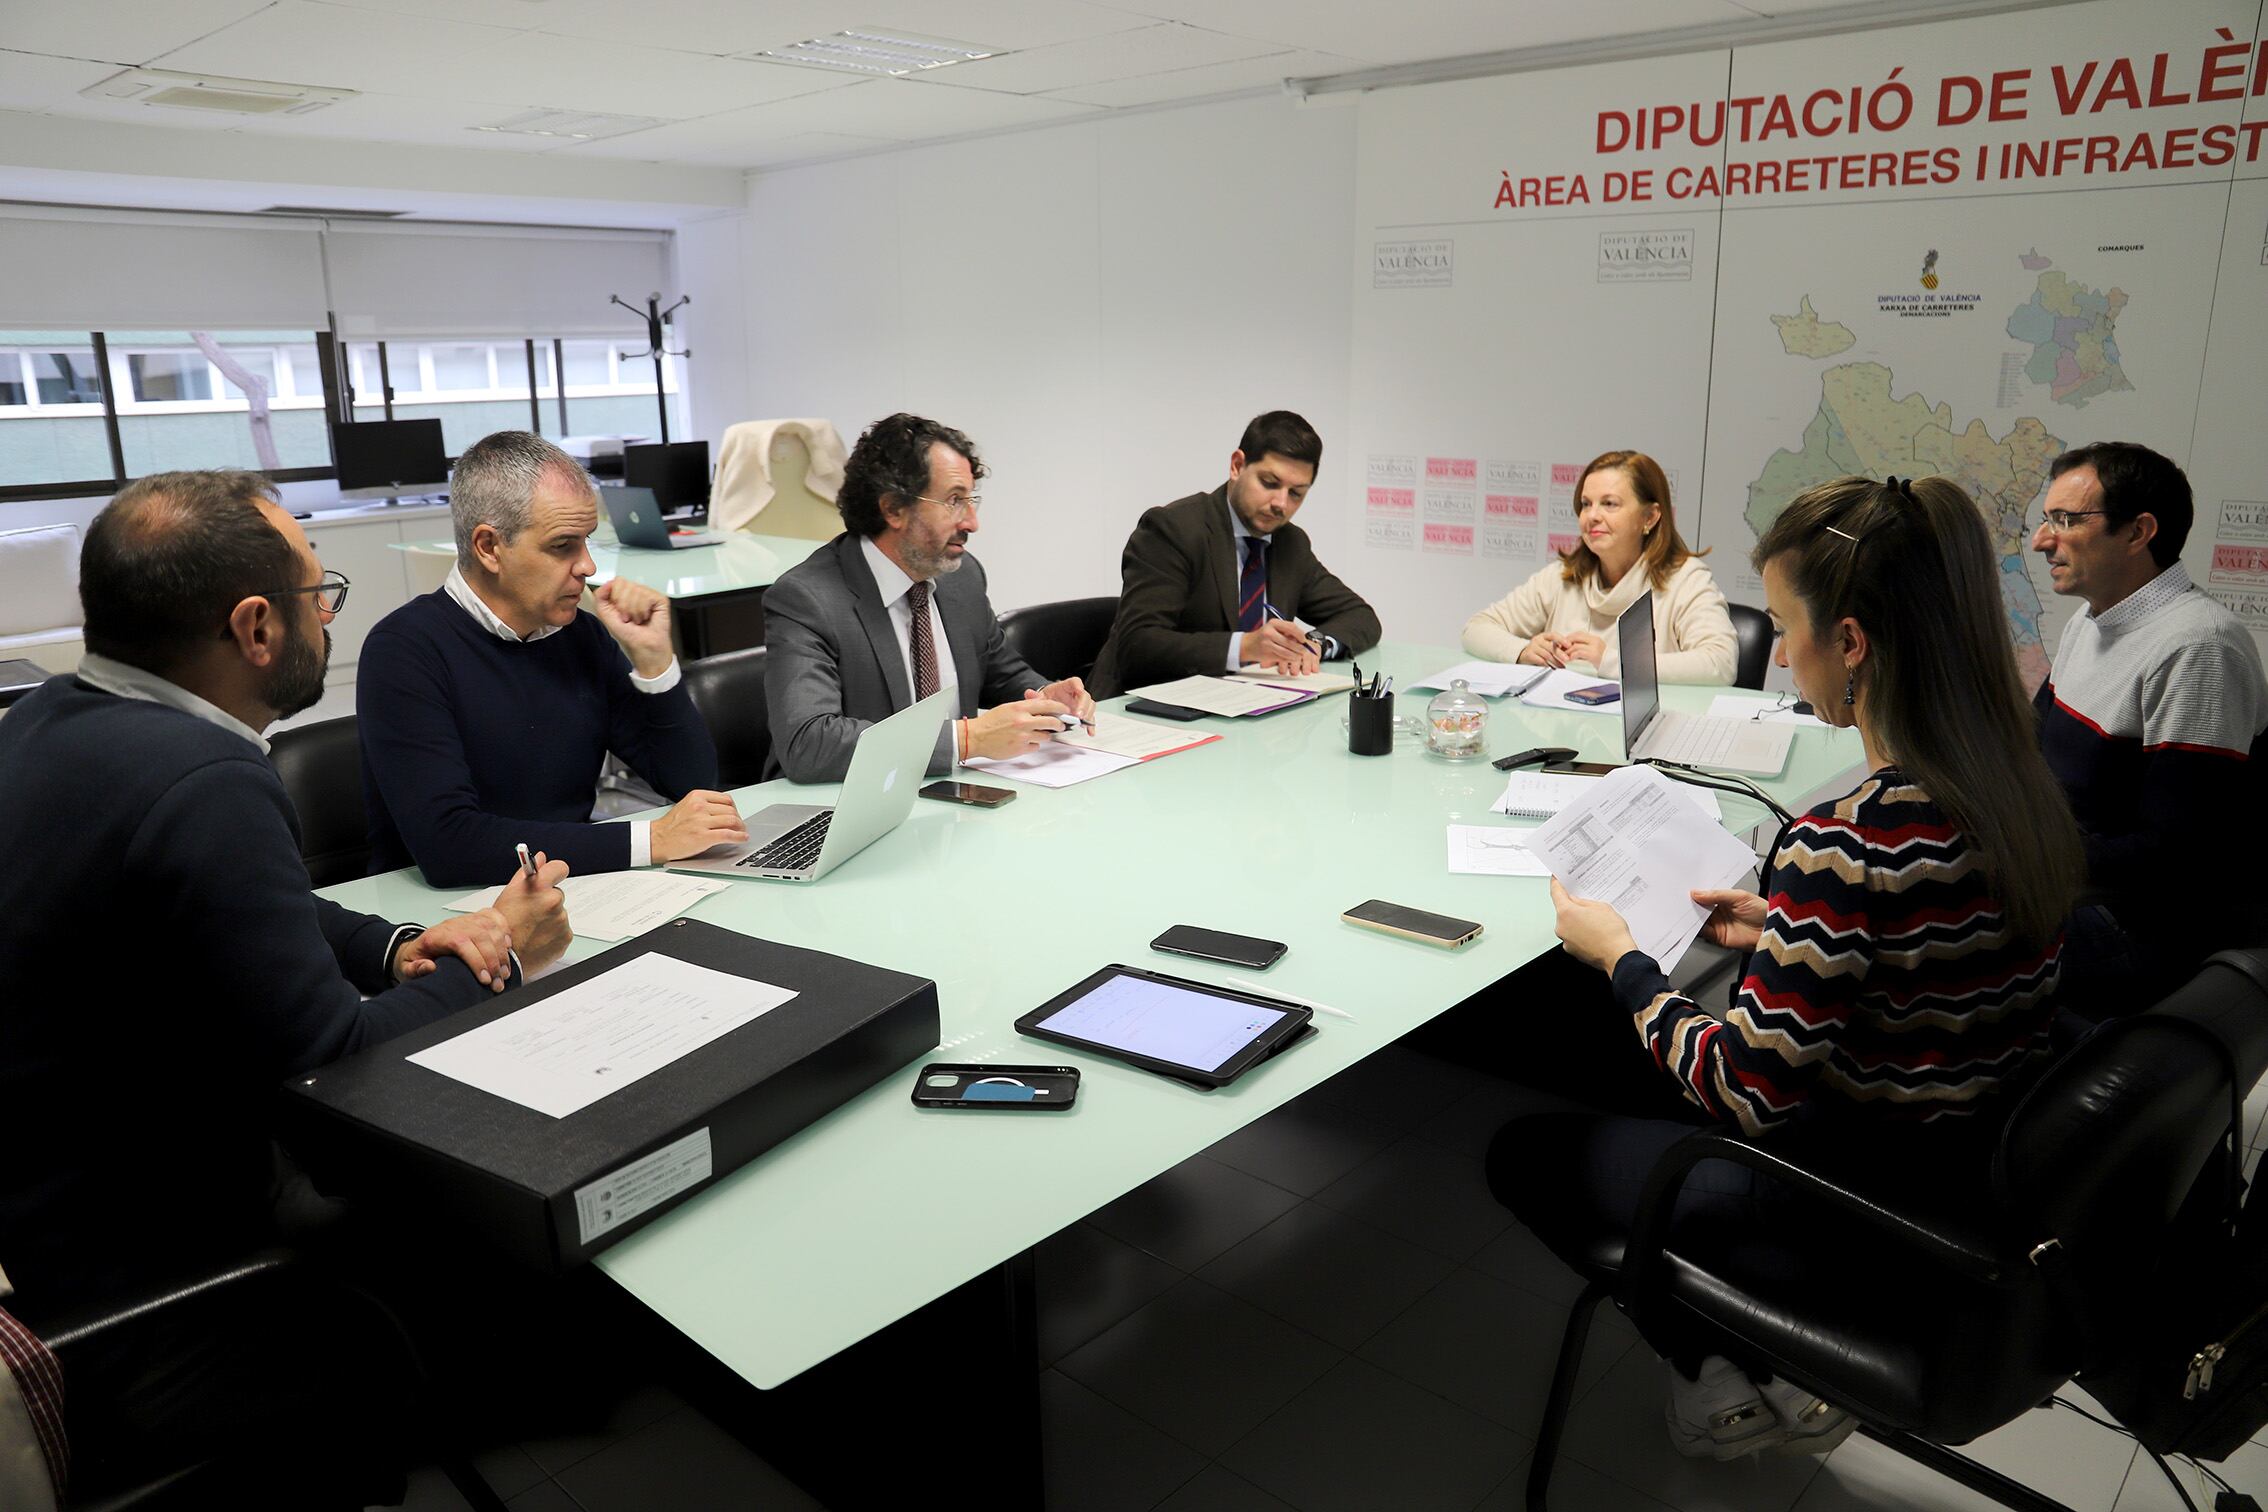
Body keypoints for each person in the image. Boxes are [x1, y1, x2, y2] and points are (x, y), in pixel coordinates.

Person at [1486, 475, 2084, 1460]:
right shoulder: (2017, 790)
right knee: (1633, 1068)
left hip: (1847, 1201)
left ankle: (1715, 1370)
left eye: (1789, 627)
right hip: (1960, 1163)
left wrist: (1623, 959)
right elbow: (1937, 941)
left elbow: (1745, 1092)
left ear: (1850, 642)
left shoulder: (1846, 840)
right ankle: (1771, 1366)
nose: (1783, 653)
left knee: (1524, 1152)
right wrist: (1786, 926)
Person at [0, 470, 573, 1499]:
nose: (329, 616)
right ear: (256, 627)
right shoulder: (204, 779)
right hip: (151, 1297)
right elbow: (339, 1069)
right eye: (320, 594)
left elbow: (249, 907)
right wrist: (509, 957)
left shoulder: (51, 715)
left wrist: (398, 946)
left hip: (40, 1222)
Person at [358, 431, 746, 887]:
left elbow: (692, 783)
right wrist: (652, 839)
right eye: (563, 546)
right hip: (442, 913)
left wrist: (655, 663)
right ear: (489, 548)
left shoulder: (580, 636)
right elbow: (450, 847)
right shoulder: (403, 650)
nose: (588, 566)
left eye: (587, 542)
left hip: (569, 884)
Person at [2030, 441, 2268, 1008]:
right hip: (2075, 884)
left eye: (2066, 520)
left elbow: (2176, 856)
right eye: (2047, 519)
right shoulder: (2092, 620)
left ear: (2138, 533)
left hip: (2139, 925)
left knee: (1924, 939)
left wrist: (2021, 855)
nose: (2041, 540)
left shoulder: (2199, 648)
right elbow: (2028, 745)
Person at [763, 412, 1096, 782]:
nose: (972, 522)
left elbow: (999, 673)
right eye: (954, 501)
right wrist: (966, 740)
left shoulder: (961, 576)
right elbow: (809, 743)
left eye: (971, 500)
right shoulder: (808, 599)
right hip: (842, 800)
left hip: (950, 790)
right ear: (893, 508)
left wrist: (1046, 697)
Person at [1086, 411, 1381, 697]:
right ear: (1237, 466)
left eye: (1296, 493)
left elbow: (1360, 616)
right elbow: (1138, 645)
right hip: (1143, 705)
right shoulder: (1174, 530)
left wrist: (1315, 643)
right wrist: (1246, 647)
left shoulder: (1290, 543)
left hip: (1244, 704)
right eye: (1269, 483)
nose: (1281, 503)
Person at [1462, 449, 1736, 682]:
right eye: (1585, 504)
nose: (1592, 516)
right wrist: (1522, 651)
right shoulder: (1561, 577)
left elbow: (1720, 663)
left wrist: (1610, 661)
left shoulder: (1686, 579)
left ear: (1650, 517)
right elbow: (1476, 628)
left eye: (1609, 504)